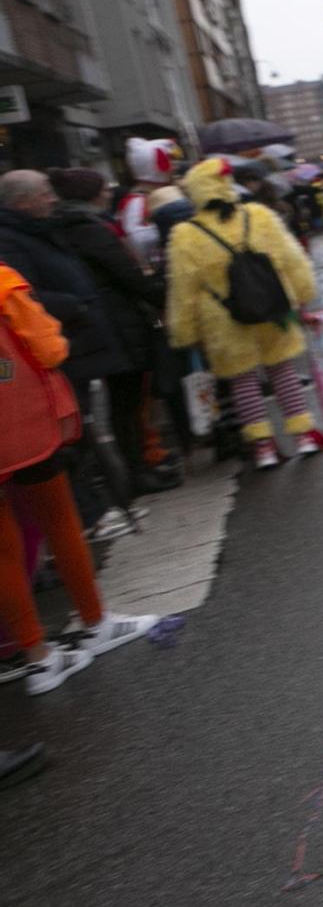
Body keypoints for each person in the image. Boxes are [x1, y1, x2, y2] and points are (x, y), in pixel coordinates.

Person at [0, 259, 158, 695]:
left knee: (2, 550)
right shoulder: (4, 284)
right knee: (59, 520)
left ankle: (38, 658)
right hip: (19, 426)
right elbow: (50, 349)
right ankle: (96, 622)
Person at [163, 160, 323, 471]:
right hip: (272, 308)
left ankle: (263, 446)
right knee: (283, 372)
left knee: (244, 383)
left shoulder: (185, 235)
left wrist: (185, 332)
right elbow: (293, 260)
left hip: (224, 320)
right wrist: (304, 295)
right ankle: (304, 434)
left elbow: (183, 290)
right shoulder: (260, 216)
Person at [0, 170, 138, 534]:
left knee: (82, 429)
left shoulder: (37, 229)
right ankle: (86, 516)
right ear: (23, 201)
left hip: (73, 345)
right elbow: (24, 296)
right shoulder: (12, 239)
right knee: (67, 437)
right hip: (55, 351)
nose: (52, 198)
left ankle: (96, 509)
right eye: (44, 193)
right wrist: (75, 305)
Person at [45, 168, 183, 494]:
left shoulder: (69, 226)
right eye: (102, 188)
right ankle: (137, 471)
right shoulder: (89, 228)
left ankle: (140, 466)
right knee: (128, 403)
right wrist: (160, 291)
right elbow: (125, 274)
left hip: (108, 322)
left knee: (126, 403)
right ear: (90, 194)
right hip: (116, 324)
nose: (109, 192)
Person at [115, 137, 177, 273]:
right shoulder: (137, 202)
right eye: (169, 160)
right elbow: (140, 242)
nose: (174, 167)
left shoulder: (147, 197)